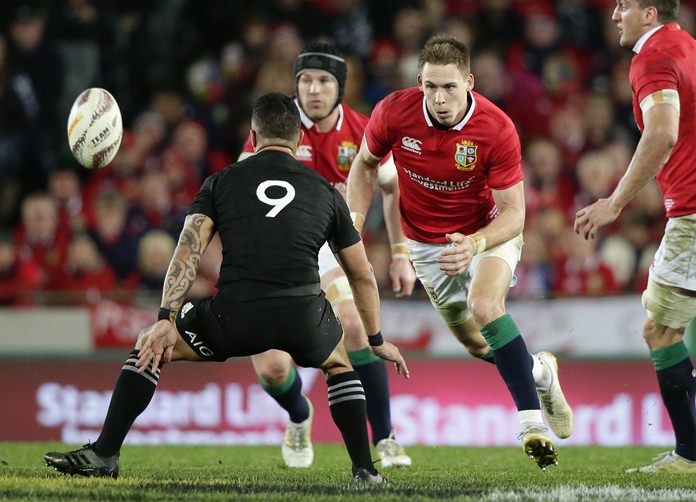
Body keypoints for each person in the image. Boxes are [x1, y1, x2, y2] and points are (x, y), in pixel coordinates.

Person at [44, 92, 409, 483]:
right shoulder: (324, 191)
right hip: (302, 314)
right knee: (339, 364)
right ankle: (364, 470)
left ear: (253, 136)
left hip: (235, 315)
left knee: (151, 341)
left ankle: (104, 453)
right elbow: (362, 273)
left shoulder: (220, 182)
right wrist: (375, 336)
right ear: (301, 141)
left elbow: (187, 250)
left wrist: (167, 318)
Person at [346, 35, 574, 470]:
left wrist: (475, 243)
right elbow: (365, 163)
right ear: (419, 82)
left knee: (484, 305)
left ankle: (531, 424)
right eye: (430, 86)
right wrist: (354, 222)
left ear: (468, 82)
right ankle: (541, 372)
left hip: (488, 233)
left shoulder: (496, 128)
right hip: (426, 244)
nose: (440, 98)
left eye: (449, 87)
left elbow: (515, 213)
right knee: (475, 342)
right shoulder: (394, 112)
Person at [239, 42, 416, 469]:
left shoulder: (363, 132)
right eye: (305, 81)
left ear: (340, 87)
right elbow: (239, 193)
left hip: (332, 251)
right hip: (277, 258)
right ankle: (299, 416)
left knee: (355, 326)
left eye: (323, 81)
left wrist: (399, 252)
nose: (313, 90)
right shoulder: (275, 129)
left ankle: (386, 437)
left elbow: (393, 189)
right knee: (274, 372)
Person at [575, 0, 696, 473]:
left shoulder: (653, 55)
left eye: (623, 5)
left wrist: (615, 202)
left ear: (649, 13)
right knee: (667, 327)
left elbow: (662, 133)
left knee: (660, 330)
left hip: (692, 210)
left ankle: (689, 455)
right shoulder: (687, 46)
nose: (614, 15)